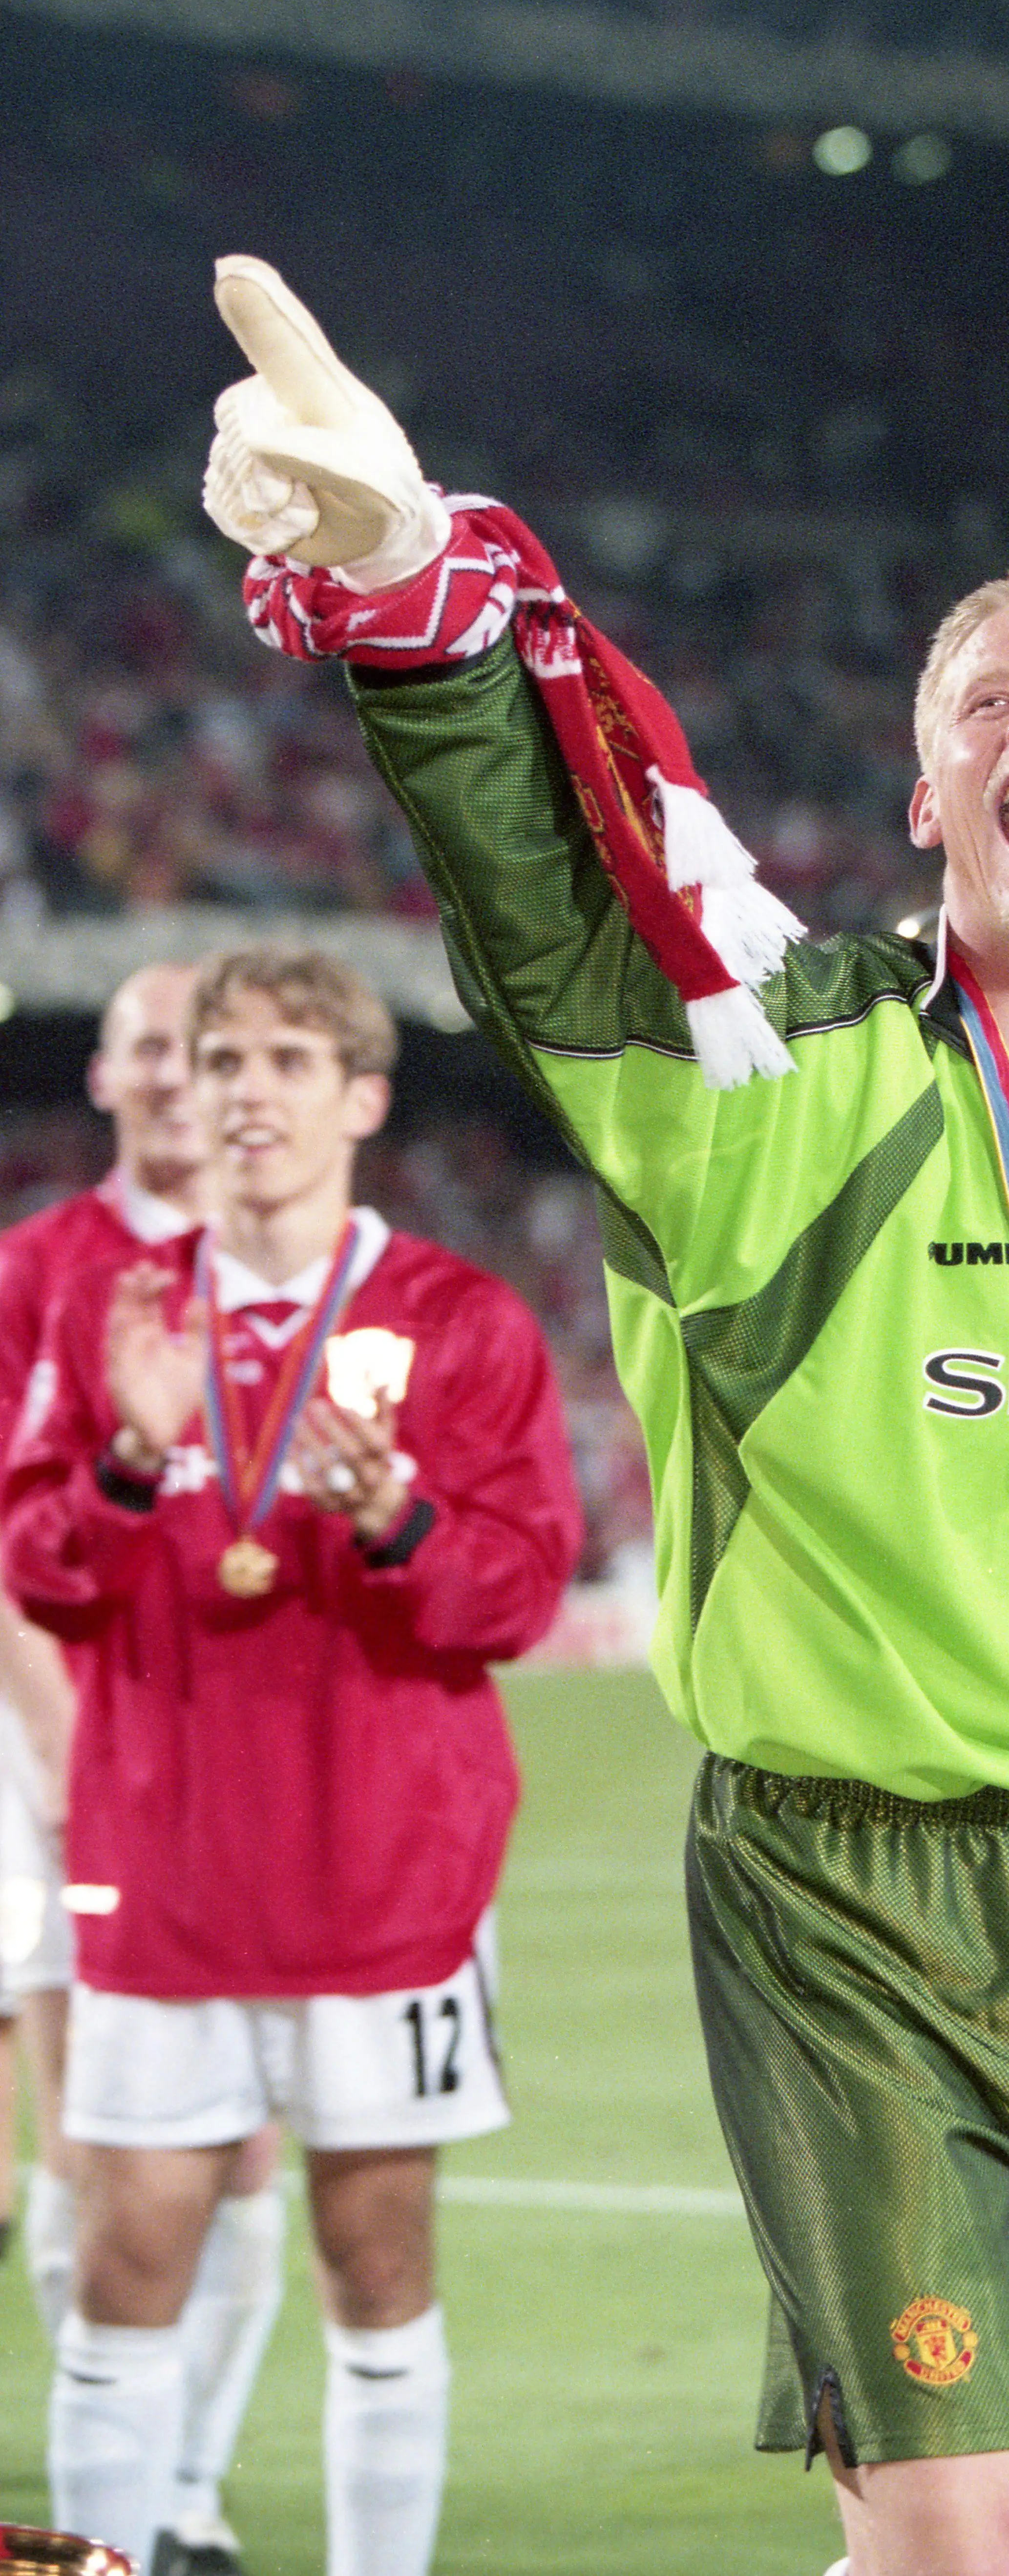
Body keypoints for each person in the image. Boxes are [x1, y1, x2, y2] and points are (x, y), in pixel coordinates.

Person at [201, 256, 1009, 2576]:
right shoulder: (780, 1072)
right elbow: (542, 912)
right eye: (992, 702)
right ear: (929, 789)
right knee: (993, 2556)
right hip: (860, 1900)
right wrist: (410, 604)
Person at [4, 946, 584, 2576]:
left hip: (385, 1882)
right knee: (125, 2268)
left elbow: (520, 1593)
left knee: (377, 2265)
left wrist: (390, 1515)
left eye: (285, 1060)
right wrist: (127, 1453)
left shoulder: (458, 1321)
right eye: (222, 1059)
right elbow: (38, 1566)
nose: (244, 1089)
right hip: (166, 1872)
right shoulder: (120, 1311)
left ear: (362, 1098)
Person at [0, 964, 289, 2576]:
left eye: (215, 1050)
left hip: (243, 1775)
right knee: (87, 2135)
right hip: (69, 1757)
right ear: (106, 1074)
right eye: (156, 1048)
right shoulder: (38, 1267)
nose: (184, 1076)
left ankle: (184, 2487)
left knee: (247, 2147)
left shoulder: (284, 1267)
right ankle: (111, 2490)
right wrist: (65, 1754)